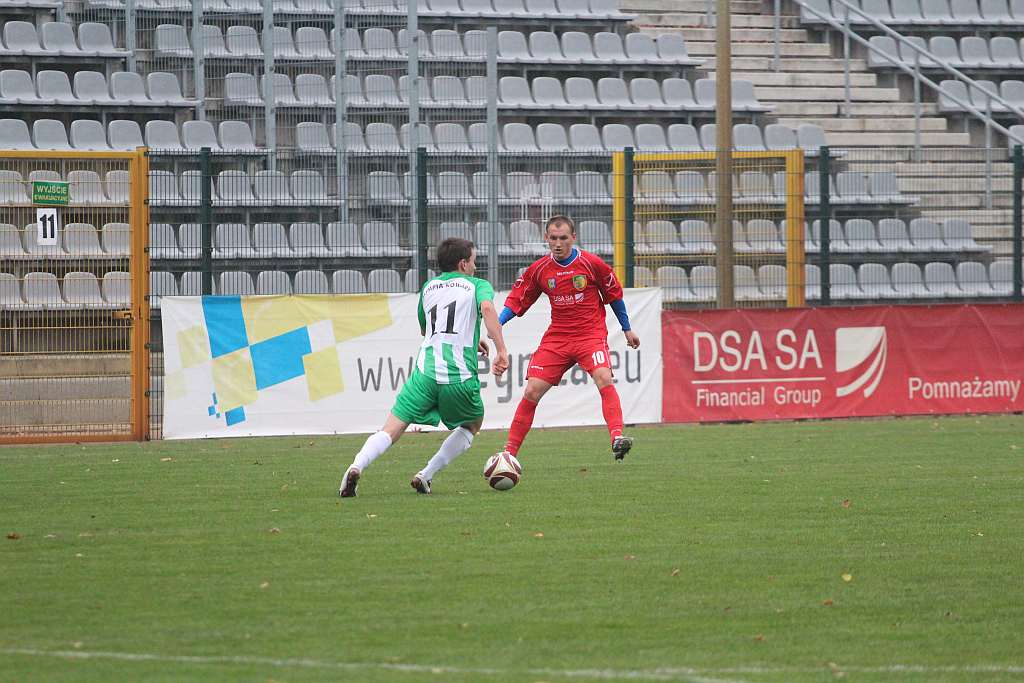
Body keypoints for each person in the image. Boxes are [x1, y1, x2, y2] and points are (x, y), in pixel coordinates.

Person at [339, 237, 509, 497]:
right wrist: (501, 350)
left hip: (425, 374)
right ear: (463, 264)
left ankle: (356, 466)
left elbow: (428, 330)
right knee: (472, 424)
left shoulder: (429, 287)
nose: (475, 266)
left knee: (391, 428)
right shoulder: (478, 285)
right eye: (473, 261)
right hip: (459, 378)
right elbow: (487, 308)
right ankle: (426, 474)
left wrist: (469, 339)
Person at [494, 214, 640, 462]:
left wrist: (627, 328)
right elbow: (518, 300)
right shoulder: (540, 269)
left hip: (590, 335)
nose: (558, 243)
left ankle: (617, 437)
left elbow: (614, 295)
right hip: (558, 338)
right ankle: (508, 455)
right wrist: (498, 323)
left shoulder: (592, 264)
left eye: (563, 238)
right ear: (546, 238)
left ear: (573, 237)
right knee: (531, 391)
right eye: (553, 238)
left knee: (604, 377)